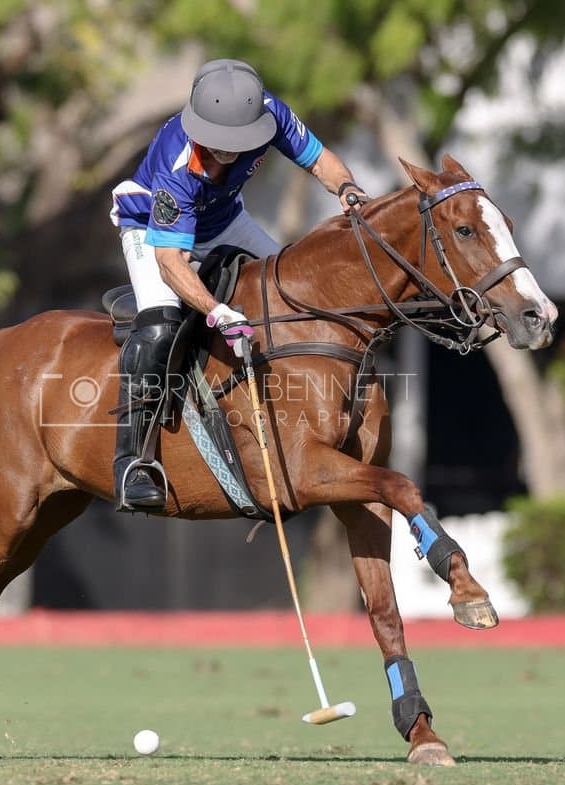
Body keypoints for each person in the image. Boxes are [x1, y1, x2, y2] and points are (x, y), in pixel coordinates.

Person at [107, 58, 369, 510]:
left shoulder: (270, 113)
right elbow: (171, 262)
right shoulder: (178, 164)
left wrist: (347, 189)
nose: (228, 152)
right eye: (219, 143)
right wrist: (216, 309)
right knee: (160, 326)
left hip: (227, 222)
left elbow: (320, 160)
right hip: (150, 231)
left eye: (238, 143)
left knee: (295, 293)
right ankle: (133, 460)